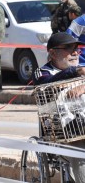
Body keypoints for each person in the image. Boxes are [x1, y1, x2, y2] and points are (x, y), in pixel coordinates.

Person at [33, 32, 85, 182]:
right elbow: (44, 84)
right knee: (78, 149)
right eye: (69, 48)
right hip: (63, 133)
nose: (75, 53)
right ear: (52, 53)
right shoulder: (42, 72)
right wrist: (73, 72)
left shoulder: (81, 69)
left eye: (77, 48)